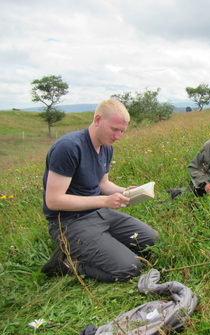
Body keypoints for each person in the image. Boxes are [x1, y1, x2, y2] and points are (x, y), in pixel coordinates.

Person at [41, 99, 158, 282]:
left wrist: (125, 191)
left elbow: (102, 184)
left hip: (99, 213)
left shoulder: (105, 147)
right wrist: (104, 201)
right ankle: (66, 263)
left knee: (152, 242)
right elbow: (54, 200)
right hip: (69, 222)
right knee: (129, 268)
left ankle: (105, 245)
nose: (118, 137)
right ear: (97, 120)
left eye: (122, 131)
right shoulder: (69, 147)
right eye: (114, 129)